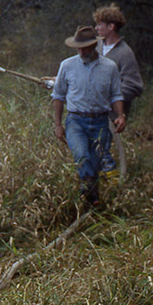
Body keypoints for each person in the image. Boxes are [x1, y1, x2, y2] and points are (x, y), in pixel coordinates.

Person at [51, 25, 126, 207]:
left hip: (100, 121)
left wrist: (120, 115)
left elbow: (116, 94)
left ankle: (90, 201)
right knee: (82, 156)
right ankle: (93, 199)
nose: (82, 51)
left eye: (85, 47)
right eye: (79, 47)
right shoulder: (67, 66)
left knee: (94, 163)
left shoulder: (110, 67)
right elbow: (58, 96)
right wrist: (58, 125)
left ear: (94, 46)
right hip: (76, 120)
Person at [93, 4, 144, 178]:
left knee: (101, 149)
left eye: (100, 24)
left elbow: (134, 85)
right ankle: (100, 183)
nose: (96, 28)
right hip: (91, 111)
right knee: (92, 149)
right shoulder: (97, 47)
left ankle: (114, 186)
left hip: (111, 115)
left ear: (111, 27)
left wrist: (110, 96)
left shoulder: (124, 53)